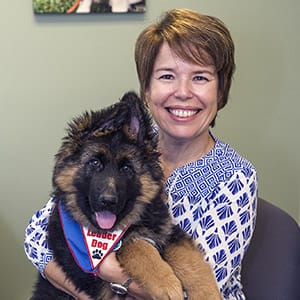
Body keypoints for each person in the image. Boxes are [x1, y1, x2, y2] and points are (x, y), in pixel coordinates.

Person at [24, 8, 258, 300]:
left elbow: (192, 294)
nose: (182, 92)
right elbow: (36, 238)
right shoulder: (117, 146)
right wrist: (89, 291)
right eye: (167, 76)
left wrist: (110, 272)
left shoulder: (234, 176)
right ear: (147, 89)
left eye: (200, 77)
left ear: (220, 91)